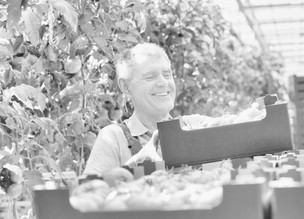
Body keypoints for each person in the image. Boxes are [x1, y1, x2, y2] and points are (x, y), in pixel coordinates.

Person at [83, 42, 213, 175]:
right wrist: (132, 166)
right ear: (126, 87)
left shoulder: (194, 125)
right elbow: (87, 192)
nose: (163, 82)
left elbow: (231, 125)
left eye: (167, 75)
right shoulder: (114, 137)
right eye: (150, 77)